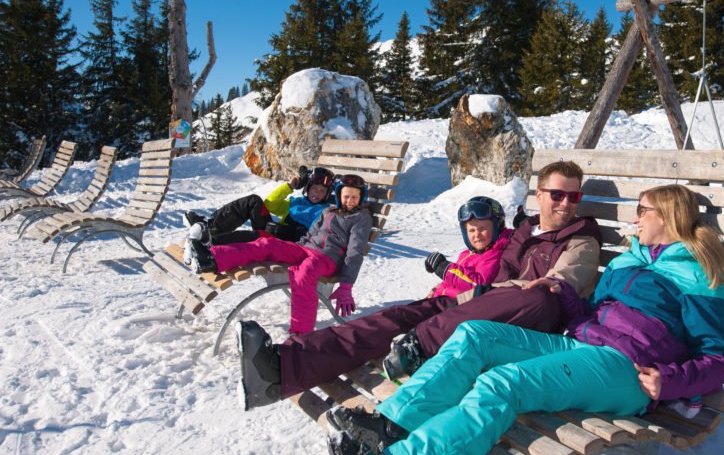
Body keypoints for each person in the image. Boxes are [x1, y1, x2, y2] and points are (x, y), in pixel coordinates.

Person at [324, 183, 724, 455]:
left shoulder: (697, 273)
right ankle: (389, 427)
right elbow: (595, 315)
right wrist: (565, 294)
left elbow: (718, 358)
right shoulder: (631, 259)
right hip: (581, 345)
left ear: (668, 216)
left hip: (626, 370)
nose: (635, 218)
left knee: (504, 383)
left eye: (642, 210)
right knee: (474, 336)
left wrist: (672, 380)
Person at [238, 160, 601, 408]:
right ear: (540, 195)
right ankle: (281, 369)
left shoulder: (581, 239)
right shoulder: (521, 233)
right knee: (386, 321)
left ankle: (420, 344)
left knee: (539, 296)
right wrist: (454, 280)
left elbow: (565, 279)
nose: (566, 204)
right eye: (558, 194)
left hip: (517, 321)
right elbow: (488, 258)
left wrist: (500, 284)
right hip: (473, 303)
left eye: (574, 196)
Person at [237, 196, 513, 410]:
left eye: (483, 229)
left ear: (497, 227)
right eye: (472, 229)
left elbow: (476, 284)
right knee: (377, 324)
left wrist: (445, 269)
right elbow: (463, 282)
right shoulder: (474, 252)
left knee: (376, 329)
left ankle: (284, 367)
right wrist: (439, 285)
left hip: (454, 317)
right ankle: (288, 361)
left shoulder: (498, 254)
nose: (477, 234)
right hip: (441, 308)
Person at [186, 174, 372, 335]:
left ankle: (301, 333)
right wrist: (293, 250)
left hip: (328, 259)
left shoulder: (361, 217)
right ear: (339, 196)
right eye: (346, 196)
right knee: (268, 244)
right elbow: (311, 234)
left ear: (361, 199)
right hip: (307, 249)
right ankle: (211, 258)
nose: (350, 200)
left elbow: (355, 251)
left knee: (305, 272)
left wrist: (346, 285)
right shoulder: (328, 211)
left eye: (355, 197)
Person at [183, 165, 335, 249]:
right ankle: (211, 227)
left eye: (322, 191)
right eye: (315, 188)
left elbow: (319, 231)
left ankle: (211, 242)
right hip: (274, 233)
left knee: (258, 236)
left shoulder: (325, 210)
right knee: (253, 201)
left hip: (287, 244)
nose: (318, 193)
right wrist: (289, 186)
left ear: (327, 194)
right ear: (307, 187)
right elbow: (270, 204)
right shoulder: (296, 202)